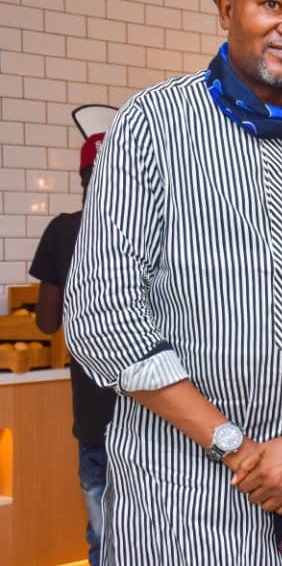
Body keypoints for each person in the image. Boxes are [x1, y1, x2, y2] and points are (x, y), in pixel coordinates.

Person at [63, 0, 282, 564]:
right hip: (181, 494)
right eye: (273, 4)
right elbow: (102, 315)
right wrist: (243, 453)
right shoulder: (154, 124)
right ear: (226, 10)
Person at [30, 130, 116, 566]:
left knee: (102, 531)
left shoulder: (62, 231)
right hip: (154, 412)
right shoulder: (143, 234)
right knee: (154, 531)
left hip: (93, 410)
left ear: (82, 176)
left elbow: (47, 322)